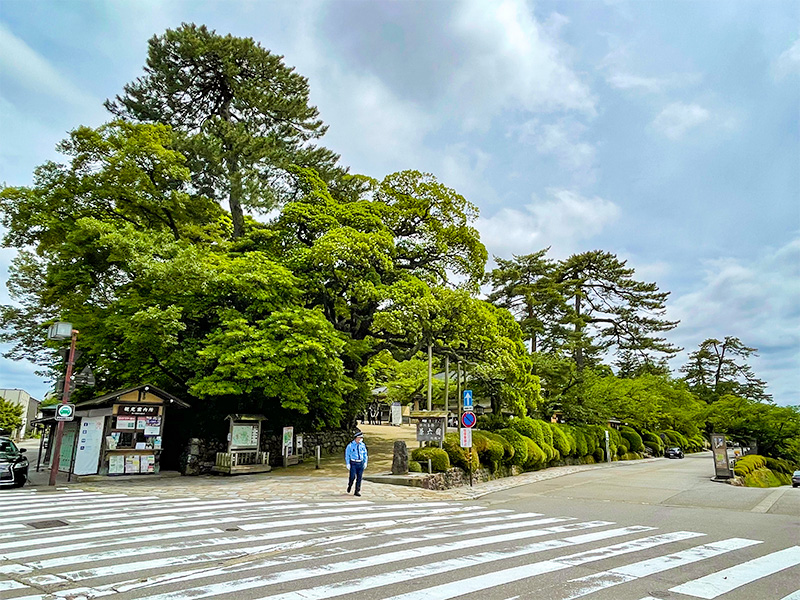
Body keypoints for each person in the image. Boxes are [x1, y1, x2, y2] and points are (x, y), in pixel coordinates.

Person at [345, 431, 368, 496]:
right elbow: (347, 455)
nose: (361, 439)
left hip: (360, 463)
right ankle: (350, 485)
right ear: (356, 438)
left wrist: (365, 462)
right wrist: (348, 463)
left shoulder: (362, 445)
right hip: (353, 463)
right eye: (360, 438)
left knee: (359, 478)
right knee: (352, 477)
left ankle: (357, 491)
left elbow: (365, 454)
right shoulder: (350, 446)